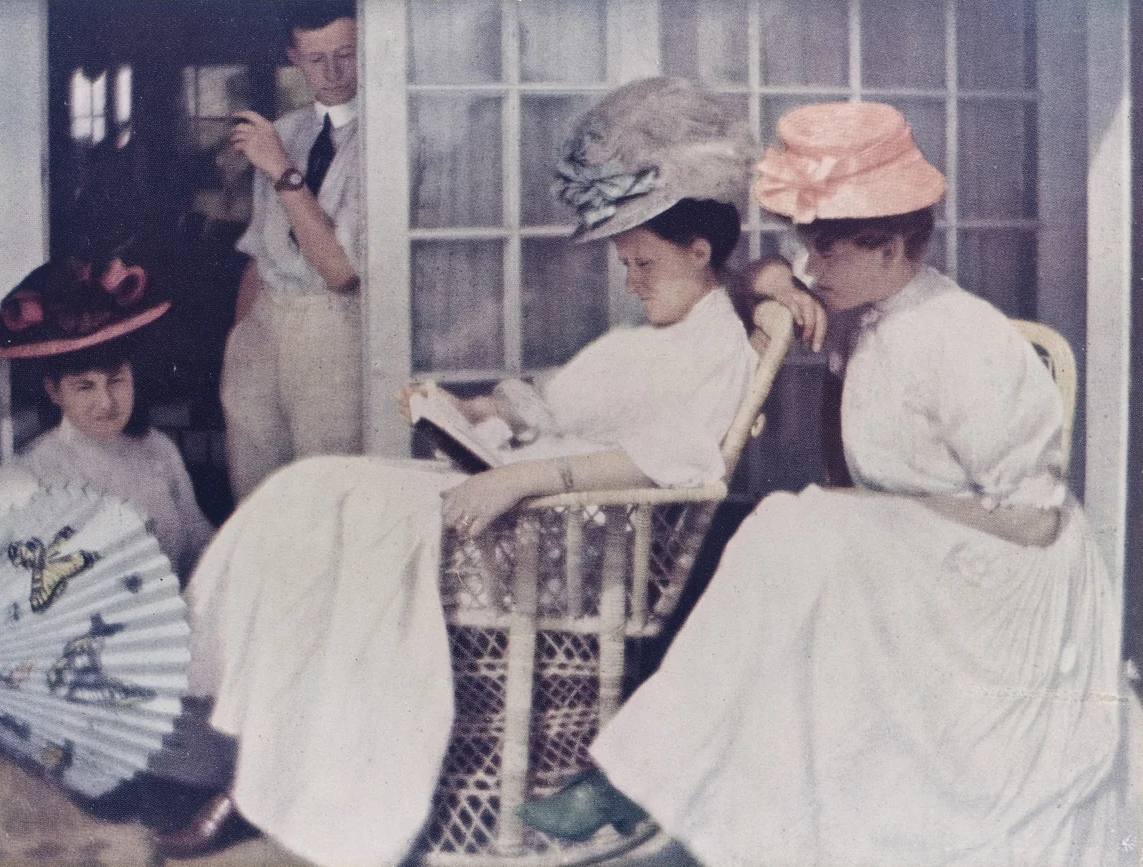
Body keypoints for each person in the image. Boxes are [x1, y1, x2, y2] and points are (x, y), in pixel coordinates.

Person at [155, 77, 821, 865]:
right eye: (626, 262)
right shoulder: (662, 331)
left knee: (329, 506)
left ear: (699, 251)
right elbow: (556, 402)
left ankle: (270, 776)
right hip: (514, 507)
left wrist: (516, 479)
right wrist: (471, 412)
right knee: (309, 490)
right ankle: (250, 750)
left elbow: (672, 462)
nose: (632, 280)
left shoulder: (708, 344)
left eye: (642, 261)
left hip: (544, 538)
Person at [519, 102, 1137, 866]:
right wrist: (782, 284)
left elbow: (1034, 522)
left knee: (795, 527)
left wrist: (875, 520)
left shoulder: (966, 340)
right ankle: (645, 776)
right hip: (911, 564)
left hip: (1010, 589)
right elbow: (750, 278)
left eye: (830, 251)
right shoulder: (862, 299)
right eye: (808, 246)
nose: (814, 267)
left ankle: (634, 777)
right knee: (796, 530)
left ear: (896, 245)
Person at [0, 255, 232, 810]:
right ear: (53, 391)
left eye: (117, 380)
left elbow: (202, 547)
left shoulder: (158, 452)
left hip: (165, 654)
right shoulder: (26, 480)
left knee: (236, 738)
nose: (106, 401)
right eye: (84, 386)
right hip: (74, 678)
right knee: (191, 769)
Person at [221, 0, 364, 502]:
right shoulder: (286, 130)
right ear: (295, 58)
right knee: (255, 488)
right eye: (316, 57)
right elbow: (260, 251)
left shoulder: (386, 136)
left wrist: (282, 169)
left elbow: (341, 271)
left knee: (325, 486)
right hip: (264, 325)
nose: (331, 72)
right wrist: (241, 338)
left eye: (346, 54)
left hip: (332, 326)